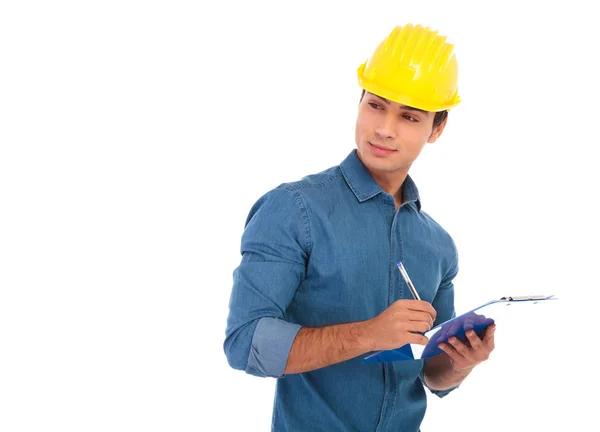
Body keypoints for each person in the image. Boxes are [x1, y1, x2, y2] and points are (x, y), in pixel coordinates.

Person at [223, 23, 496, 431]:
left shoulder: (438, 245)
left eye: (408, 116)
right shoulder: (294, 209)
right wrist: (369, 334)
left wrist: (461, 364)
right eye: (376, 105)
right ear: (360, 100)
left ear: (437, 128)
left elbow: (429, 373)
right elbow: (245, 343)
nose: (385, 128)